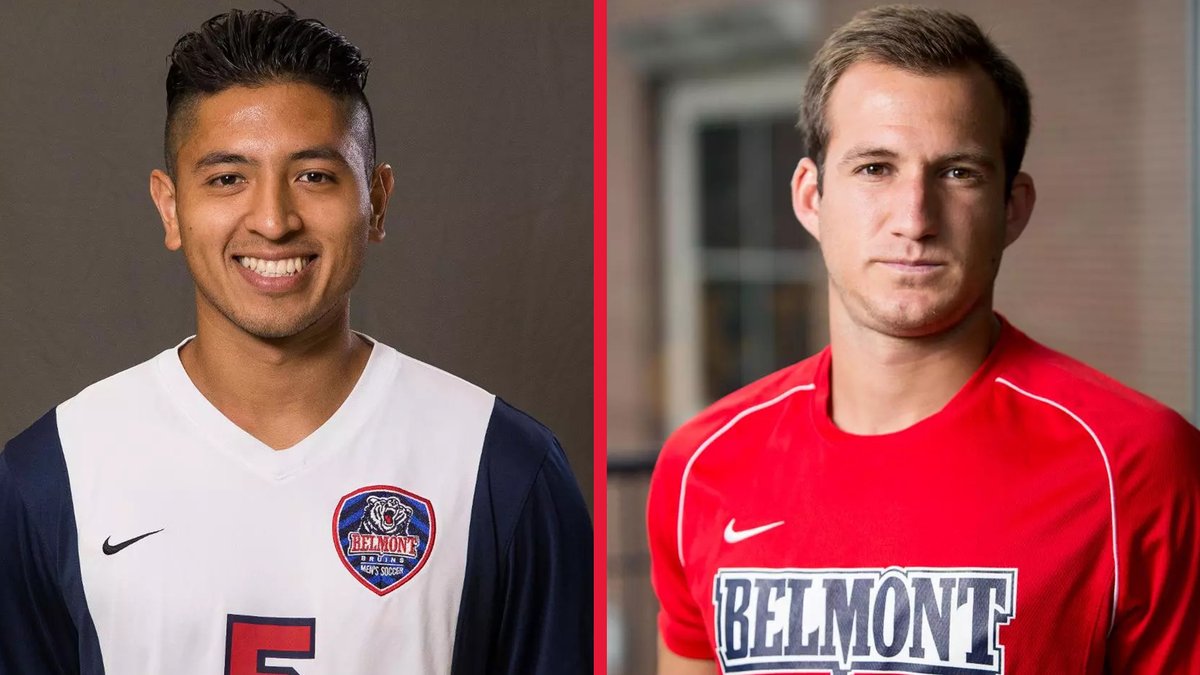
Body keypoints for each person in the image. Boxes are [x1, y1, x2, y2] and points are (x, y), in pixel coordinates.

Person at [0, 8, 591, 674]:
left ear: (378, 199)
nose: (274, 220)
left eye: (314, 175)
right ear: (170, 208)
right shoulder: (54, 476)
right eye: (228, 178)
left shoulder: (504, 467)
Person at [647, 5, 1200, 674]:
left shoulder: (1138, 465)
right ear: (810, 197)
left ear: (1012, 208)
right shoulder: (701, 465)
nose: (915, 218)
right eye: (876, 168)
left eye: (958, 173)